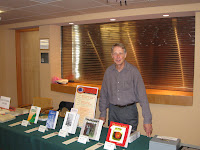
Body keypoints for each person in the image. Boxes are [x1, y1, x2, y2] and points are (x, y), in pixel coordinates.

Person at [99, 43, 153, 137]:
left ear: (125, 55)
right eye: (115, 53)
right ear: (112, 55)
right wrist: (103, 114)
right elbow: (104, 95)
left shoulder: (133, 72)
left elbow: (143, 97)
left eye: (120, 53)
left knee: (128, 142)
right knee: (113, 141)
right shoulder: (108, 72)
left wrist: (147, 120)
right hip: (113, 113)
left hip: (129, 113)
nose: (118, 56)